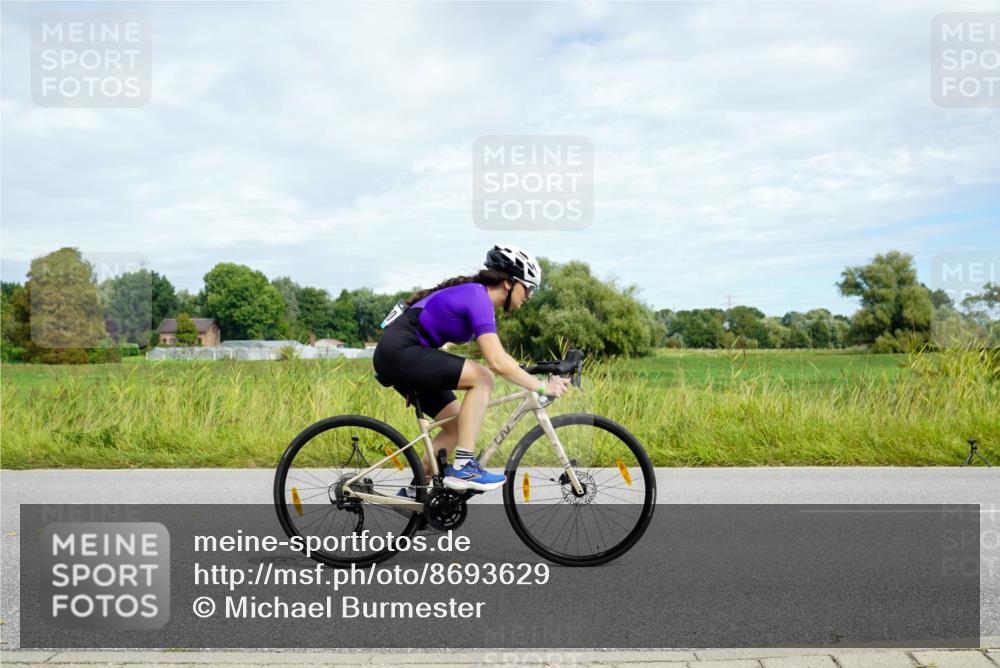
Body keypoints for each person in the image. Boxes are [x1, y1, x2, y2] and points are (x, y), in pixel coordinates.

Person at [373, 244, 571, 495]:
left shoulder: (478, 299)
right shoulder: (478, 297)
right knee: (483, 378)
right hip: (399, 352)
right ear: (509, 283)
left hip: (404, 355)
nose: (529, 296)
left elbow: (497, 354)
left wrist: (525, 371)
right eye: (528, 287)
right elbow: (496, 363)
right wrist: (542, 386)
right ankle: (465, 466)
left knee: (456, 424)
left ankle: (417, 493)